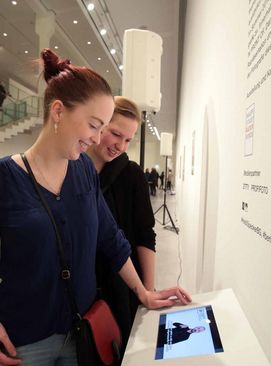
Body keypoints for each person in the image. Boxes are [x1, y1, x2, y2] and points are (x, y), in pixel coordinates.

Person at [0, 48, 191, 366]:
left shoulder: (82, 172)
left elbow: (112, 239)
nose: (97, 139)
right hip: (23, 340)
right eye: (94, 125)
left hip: (83, 332)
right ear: (58, 111)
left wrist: (143, 292)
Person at [86, 96, 157, 359]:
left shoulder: (131, 174)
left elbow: (144, 234)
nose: (120, 145)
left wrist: (146, 291)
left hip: (123, 282)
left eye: (128, 139)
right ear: (99, 124)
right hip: (82, 283)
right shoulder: (73, 170)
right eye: (116, 134)